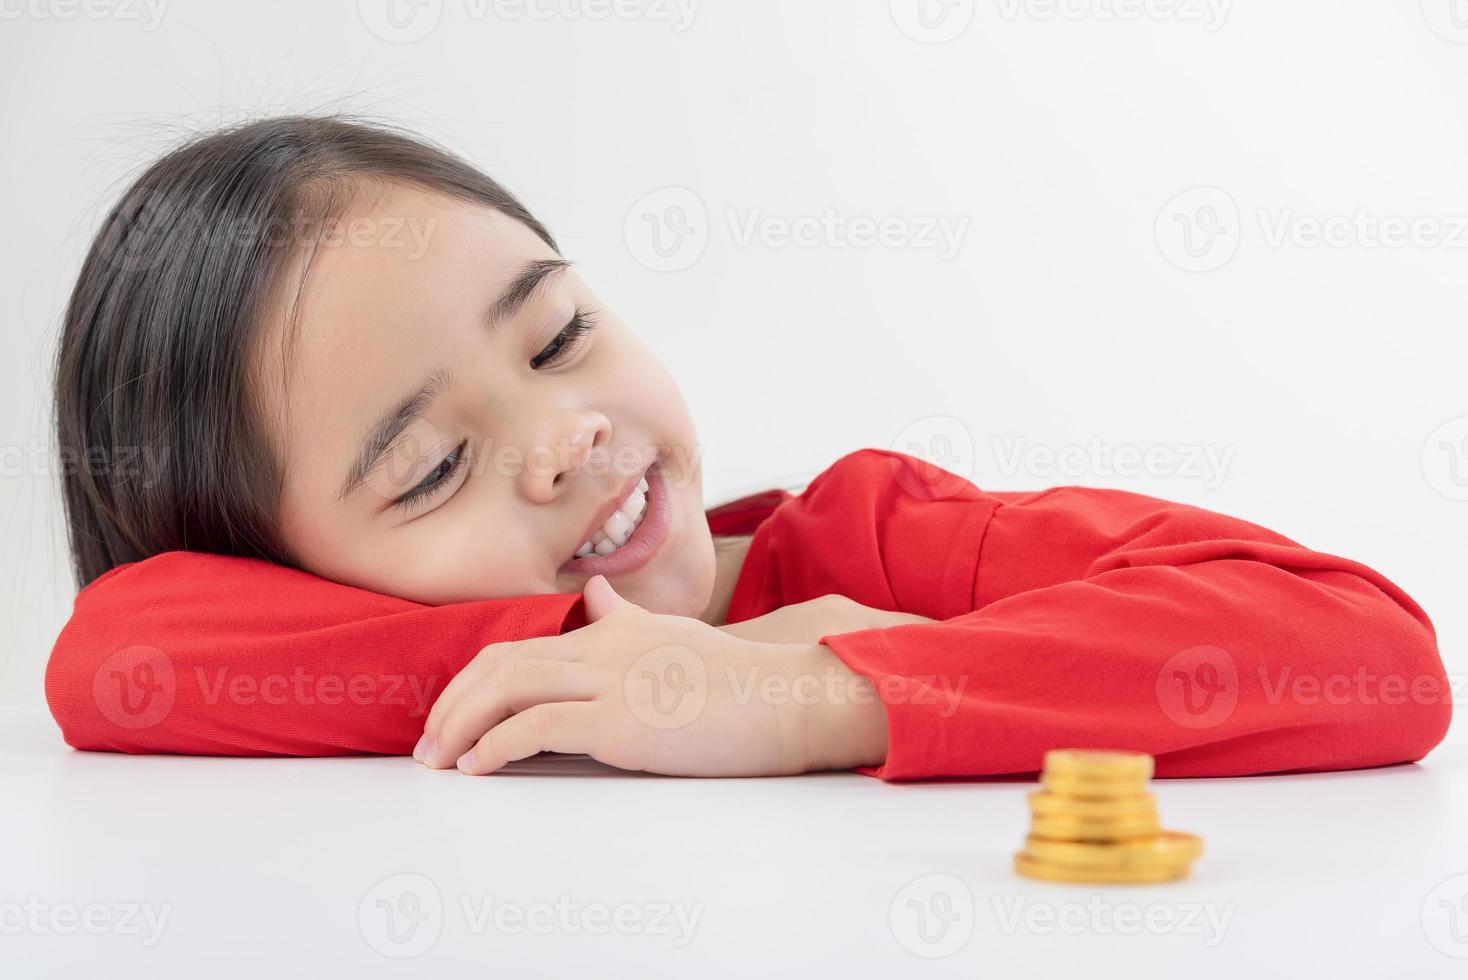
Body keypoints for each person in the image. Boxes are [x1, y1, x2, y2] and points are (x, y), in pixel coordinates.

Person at [46, 116, 1452, 780]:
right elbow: (111, 653)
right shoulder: (338, 671)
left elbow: (1368, 645)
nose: (564, 434)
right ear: (281, 572)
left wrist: (813, 687)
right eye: (427, 470)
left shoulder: (870, 540)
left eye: (555, 337)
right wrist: (568, 656)